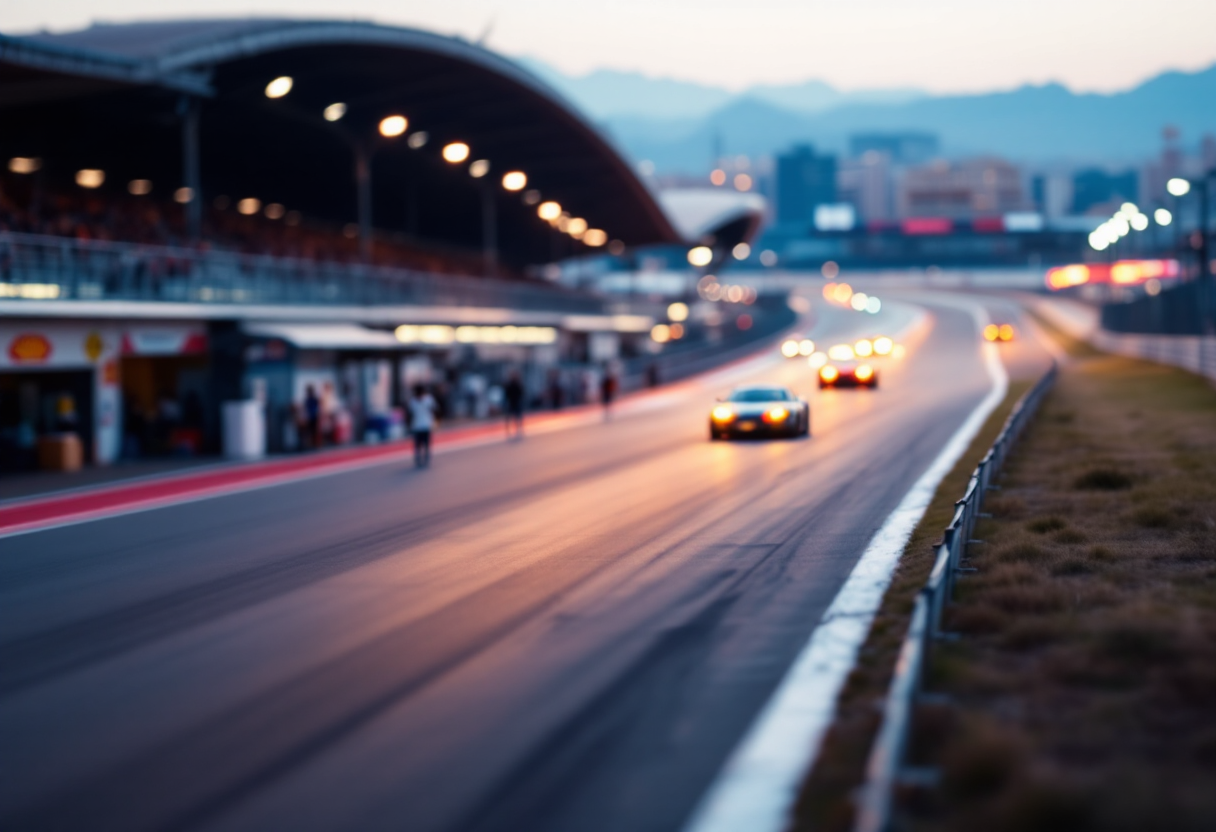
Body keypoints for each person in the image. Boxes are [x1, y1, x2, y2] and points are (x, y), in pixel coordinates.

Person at [407, 383, 437, 468]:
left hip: (424, 425)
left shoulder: (428, 400)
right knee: (419, 444)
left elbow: (434, 410)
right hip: (418, 426)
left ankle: (424, 457)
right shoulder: (414, 401)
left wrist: (434, 421)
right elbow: (410, 414)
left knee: (424, 443)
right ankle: (420, 458)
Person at [503, 371, 525, 440]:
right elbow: (506, 393)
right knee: (509, 417)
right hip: (511, 402)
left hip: (517, 402)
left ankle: (519, 429)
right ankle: (508, 431)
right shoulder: (509, 384)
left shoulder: (518, 384)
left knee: (518, 416)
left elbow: (521, 392)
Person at [304, 384, 320, 450]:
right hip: (310, 417)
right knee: (310, 431)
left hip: (314, 417)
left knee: (315, 431)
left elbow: (317, 408)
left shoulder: (314, 399)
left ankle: (316, 444)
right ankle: (311, 444)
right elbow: (306, 409)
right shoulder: (307, 400)